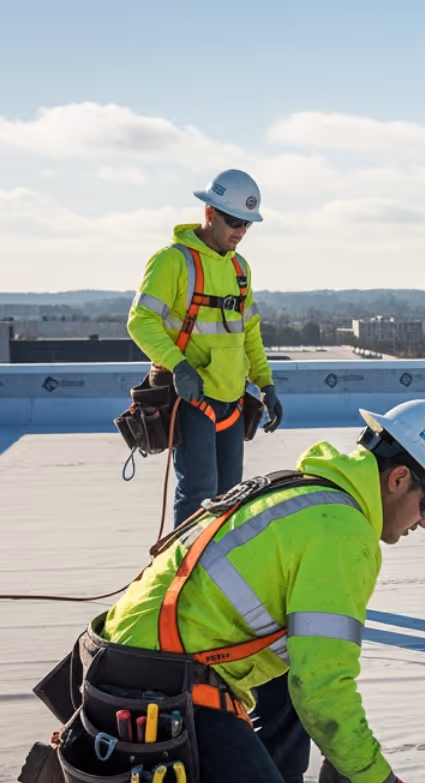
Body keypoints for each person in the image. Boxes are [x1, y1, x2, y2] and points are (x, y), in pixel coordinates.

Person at [4, 401, 425, 783]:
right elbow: (324, 689)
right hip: (156, 685)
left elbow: (310, 668)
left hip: (131, 659)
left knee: (299, 662)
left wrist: (343, 755)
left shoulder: (309, 489)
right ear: (399, 479)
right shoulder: (345, 537)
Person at [128, 169, 283, 525]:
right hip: (191, 398)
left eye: (247, 224)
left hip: (231, 397)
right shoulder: (173, 261)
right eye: (233, 221)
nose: (240, 232)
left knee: (231, 494)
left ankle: (218, 568)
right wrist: (178, 366)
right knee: (199, 491)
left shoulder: (240, 269)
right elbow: (141, 321)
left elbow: (250, 332)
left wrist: (266, 384)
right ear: (210, 213)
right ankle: (182, 569)